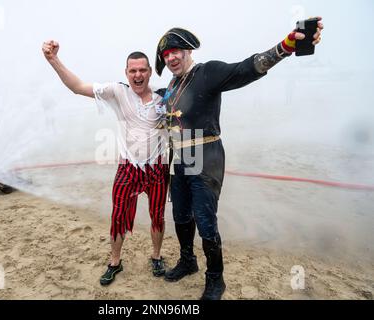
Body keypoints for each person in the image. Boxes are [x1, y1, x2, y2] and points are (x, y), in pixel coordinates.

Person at [155, 19, 324, 300]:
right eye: (165, 55)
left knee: (205, 220)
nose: (170, 57)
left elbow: (247, 68)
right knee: (181, 216)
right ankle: (188, 261)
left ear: (188, 51)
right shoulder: (171, 86)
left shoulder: (207, 72)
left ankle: (215, 279)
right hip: (178, 158)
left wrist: (286, 46)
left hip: (204, 153)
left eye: (175, 51)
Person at [42, 41, 169, 286]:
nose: (138, 75)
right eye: (133, 71)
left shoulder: (162, 99)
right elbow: (77, 87)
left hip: (157, 168)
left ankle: (156, 256)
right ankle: (114, 261)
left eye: (142, 70)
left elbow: (182, 117)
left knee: (158, 216)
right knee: (119, 216)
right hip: (128, 169)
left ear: (150, 72)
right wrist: (53, 60)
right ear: (126, 73)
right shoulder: (117, 92)